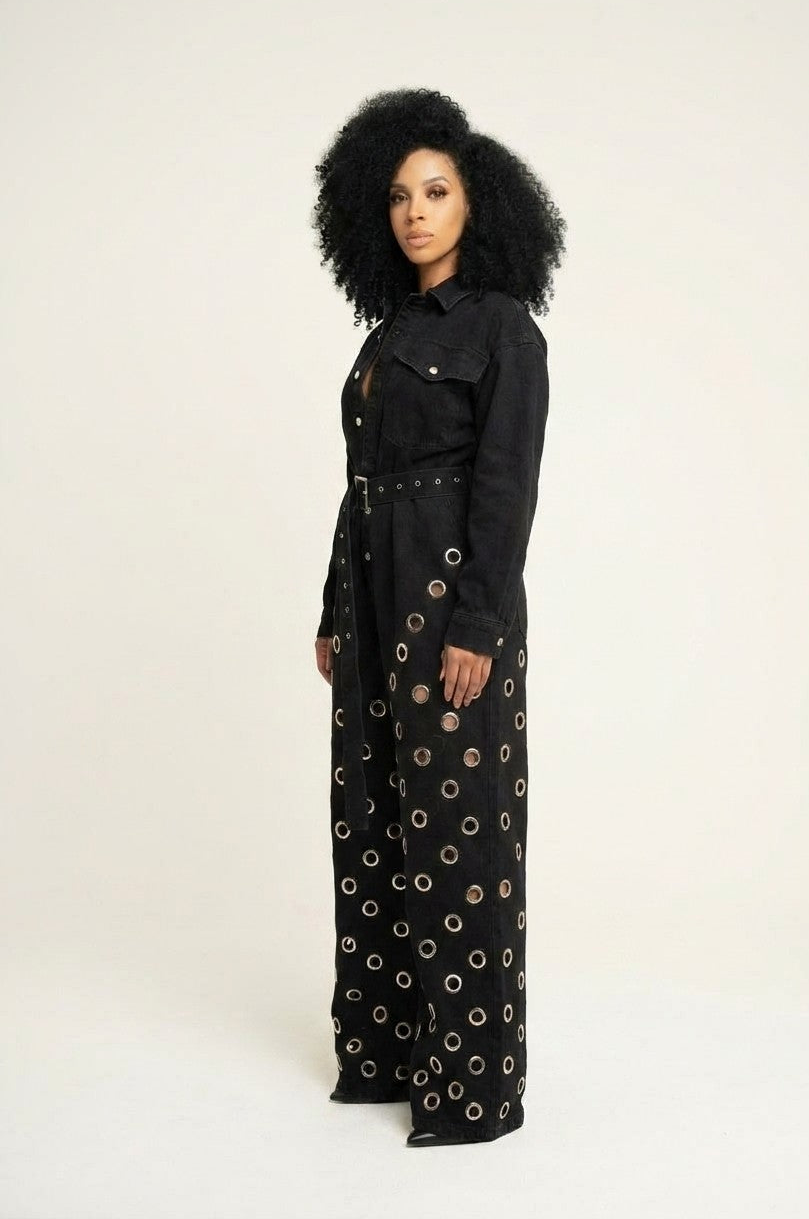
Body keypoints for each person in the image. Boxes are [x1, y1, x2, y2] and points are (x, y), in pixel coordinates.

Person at [311, 88, 566, 1147]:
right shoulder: (384, 338)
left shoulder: (503, 330)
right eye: (398, 197)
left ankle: (469, 1090)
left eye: (436, 192)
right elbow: (359, 482)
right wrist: (332, 606)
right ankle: (382, 1054)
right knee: (371, 816)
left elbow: (506, 486)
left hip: (447, 598)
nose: (415, 213)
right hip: (371, 600)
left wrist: (478, 624)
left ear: (476, 203)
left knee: (459, 834)